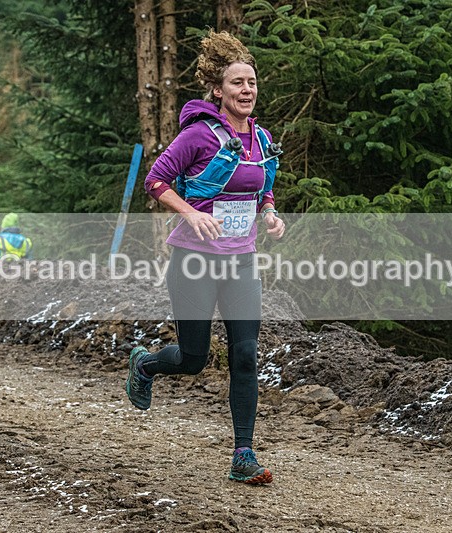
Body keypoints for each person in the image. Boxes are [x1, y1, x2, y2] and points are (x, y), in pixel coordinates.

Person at [125, 30, 285, 485]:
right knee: (194, 359)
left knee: (247, 355)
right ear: (218, 90)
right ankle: (146, 363)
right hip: (193, 260)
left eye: (252, 82)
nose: (247, 90)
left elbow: (263, 184)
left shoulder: (261, 138)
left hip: (241, 262)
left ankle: (243, 454)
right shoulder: (198, 135)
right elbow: (156, 180)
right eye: (237, 83)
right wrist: (191, 213)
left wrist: (270, 212)